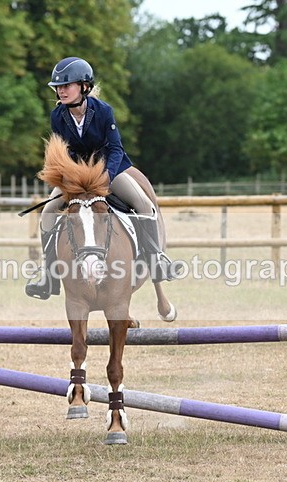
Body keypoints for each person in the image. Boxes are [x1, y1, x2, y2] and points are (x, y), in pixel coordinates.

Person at [26, 56, 180, 300]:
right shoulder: (57, 116)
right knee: (47, 212)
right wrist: (68, 175)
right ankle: (49, 274)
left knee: (143, 204)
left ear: (84, 87)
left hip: (109, 170)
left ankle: (156, 259)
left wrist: (106, 177)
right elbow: (63, 151)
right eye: (58, 86)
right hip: (78, 175)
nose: (61, 90)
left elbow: (116, 149)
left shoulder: (104, 111)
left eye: (67, 85)